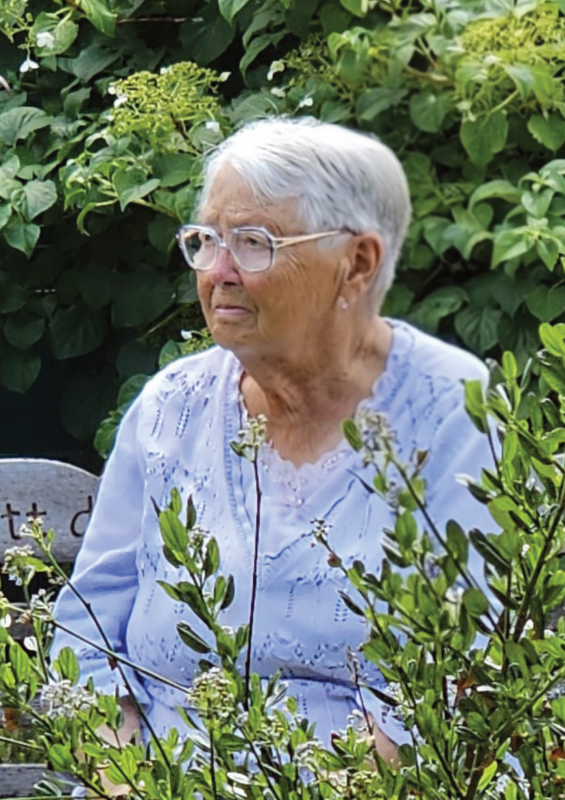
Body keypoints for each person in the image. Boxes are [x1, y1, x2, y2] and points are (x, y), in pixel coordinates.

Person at [51, 116, 495, 759]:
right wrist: (119, 777)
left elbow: (466, 672)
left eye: (254, 243)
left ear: (357, 264)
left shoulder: (451, 408)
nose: (219, 271)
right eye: (207, 240)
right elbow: (88, 635)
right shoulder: (171, 407)